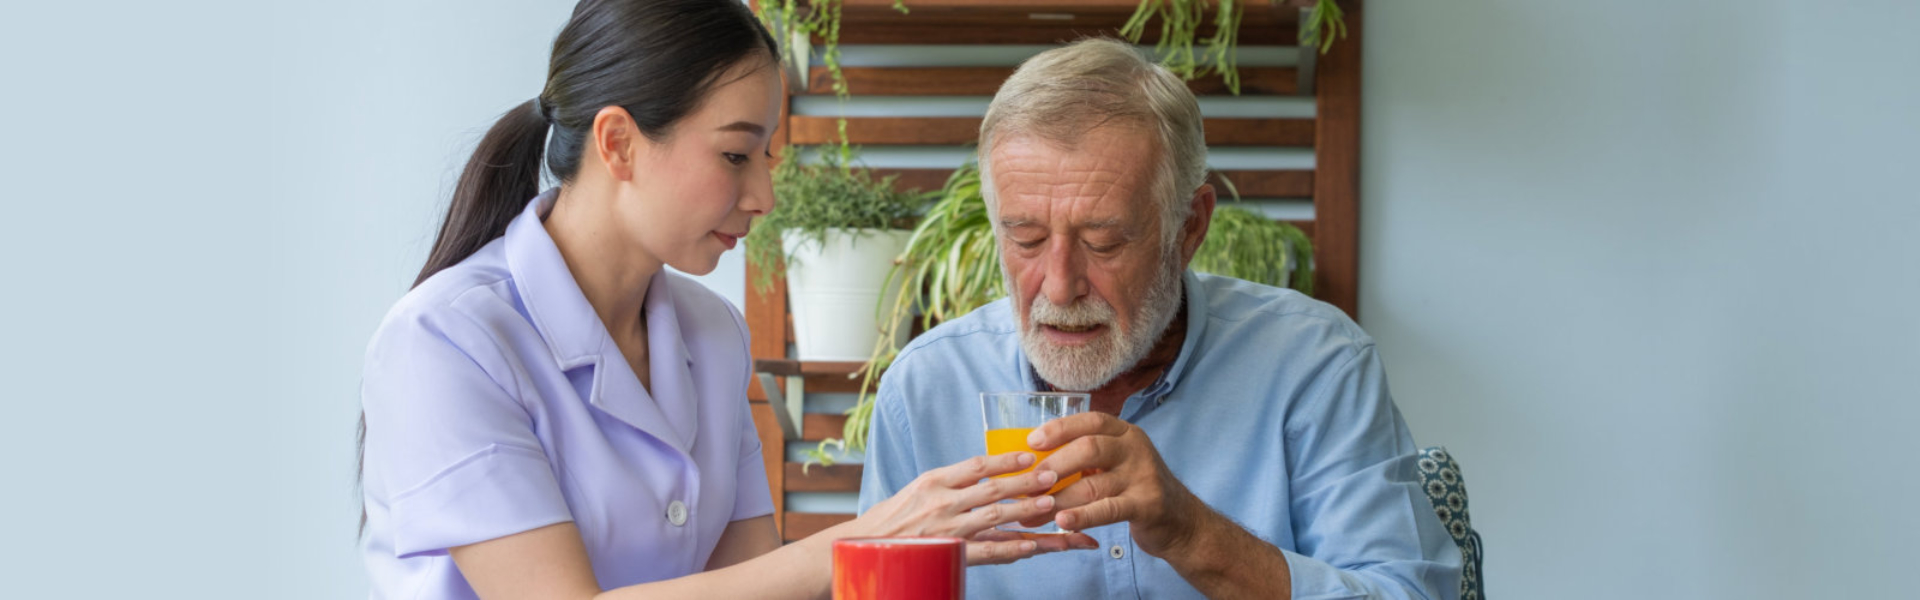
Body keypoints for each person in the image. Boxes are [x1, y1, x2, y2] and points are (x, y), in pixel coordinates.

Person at [357, 2, 1089, 598]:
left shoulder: (711, 332)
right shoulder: (446, 341)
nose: (764, 196)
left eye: (767, 156)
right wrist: (879, 532)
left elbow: (753, 579)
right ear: (618, 144)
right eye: (736, 155)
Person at [857, 38, 1464, 599]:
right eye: (1027, 238)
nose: (1060, 287)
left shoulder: (1315, 363)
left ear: (1189, 226)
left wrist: (1191, 532)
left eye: (1104, 242)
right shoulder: (926, 387)